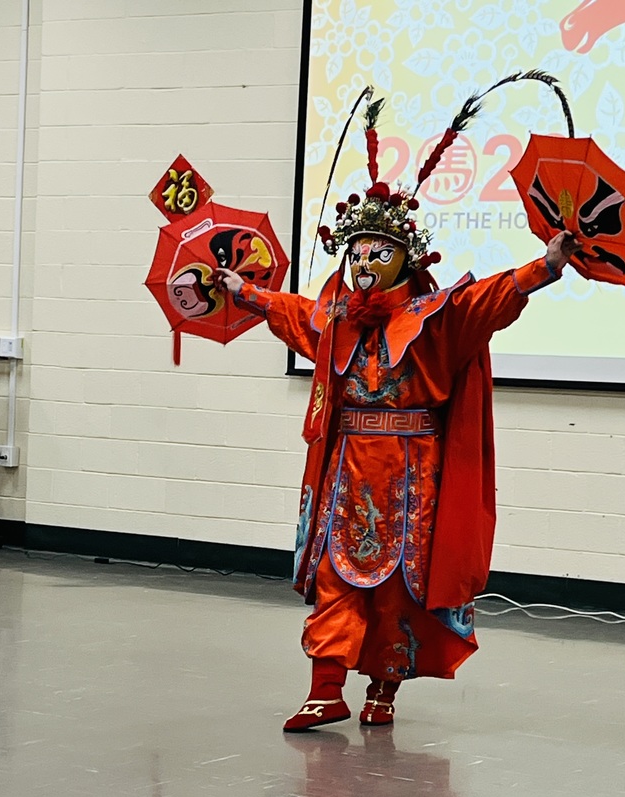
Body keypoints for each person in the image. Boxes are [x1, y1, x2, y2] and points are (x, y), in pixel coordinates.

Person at [215, 102, 579, 732]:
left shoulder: (437, 318)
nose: (363, 263)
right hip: (349, 470)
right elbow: (289, 309)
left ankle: (384, 692)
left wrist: (544, 268)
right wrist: (243, 291)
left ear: (405, 260)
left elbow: (490, 298)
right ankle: (326, 688)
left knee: (401, 591)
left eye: (379, 252)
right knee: (335, 576)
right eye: (357, 251)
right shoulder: (334, 320)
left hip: (415, 473)